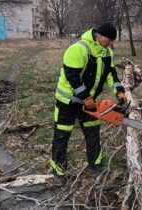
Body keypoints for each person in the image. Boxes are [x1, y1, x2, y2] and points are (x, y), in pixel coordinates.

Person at [50, 23, 126, 186]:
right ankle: (58, 170)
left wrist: (118, 90)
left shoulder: (107, 52)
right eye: (108, 39)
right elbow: (72, 76)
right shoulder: (78, 49)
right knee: (62, 135)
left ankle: (96, 163)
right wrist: (85, 96)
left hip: (89, 102)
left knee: (93, 131)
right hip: (68, 101)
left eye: (112, 41)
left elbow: (110, 74)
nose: (110, 43)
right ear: (98, 35)